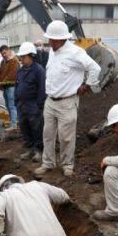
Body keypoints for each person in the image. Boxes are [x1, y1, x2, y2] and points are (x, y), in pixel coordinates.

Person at [35, 20, 101, 178]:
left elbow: (95, 68)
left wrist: (87, 85)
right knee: (48, 135)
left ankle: (67, 165)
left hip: (67, 102)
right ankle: (48, 163)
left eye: (52, 39)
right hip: (50, 101)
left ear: (61, 39)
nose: (49, 42)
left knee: (66, 137)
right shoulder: (53, 51)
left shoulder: (75, 53)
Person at [14, 42, 46, 163]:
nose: (21, 59)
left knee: (36, 128)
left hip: (33, 104)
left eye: (23, 57)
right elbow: (17, 86)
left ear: (31, 56)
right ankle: (30, 149)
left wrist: (39, 104)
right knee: (24, 127)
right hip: (22, 104)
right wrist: (16, 101)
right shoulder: (21, 71)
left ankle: (39, 151)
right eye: (21, 57)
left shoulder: (39, 70)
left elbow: (42, 89)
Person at [0, 45, 19, 130]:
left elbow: (12, 75)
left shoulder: (14, 61)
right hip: (5, 87)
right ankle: (12, 122)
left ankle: (13, 125)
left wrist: (1, 83)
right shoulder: (3, 62)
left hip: (11, 87)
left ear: (9, 51)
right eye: (2, 54)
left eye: (4, 53)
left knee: (12, 106)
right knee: (8, 105)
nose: (4, 55)